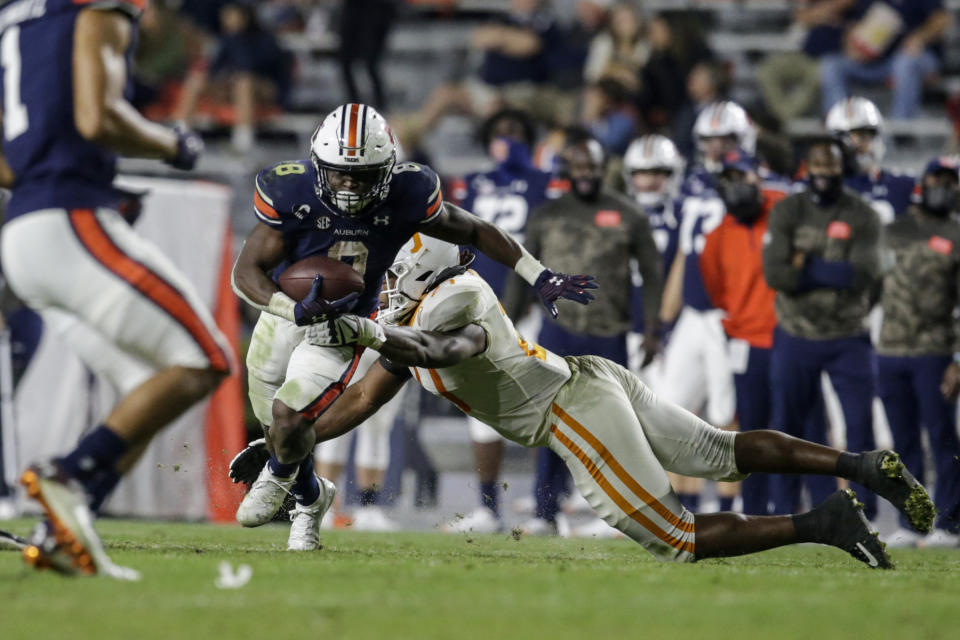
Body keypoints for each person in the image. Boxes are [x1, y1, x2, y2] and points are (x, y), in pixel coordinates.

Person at [300, 233, 935, 568]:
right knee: (720, 451)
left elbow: (443, 351)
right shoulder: (417, 314)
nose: (377, 285)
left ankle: (825, 524)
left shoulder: (452, 301)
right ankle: (861, 466)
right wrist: (289, 440)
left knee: (676, 539)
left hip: (571, 412)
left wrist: (370, 330)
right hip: (589, 380)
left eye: (387, 276)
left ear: (417, 273)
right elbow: (360, 399)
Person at [231, 103, 596, 551]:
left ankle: (292, 482)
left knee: (288, 422)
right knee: (278, 421)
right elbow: (246, 271)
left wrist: (538, 275)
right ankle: (311, 496)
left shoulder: (448, 291)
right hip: (290, 310)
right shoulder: (291, 190)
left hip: (346, 324)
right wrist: (292, 309)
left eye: (363, 174)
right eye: (340, 172)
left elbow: (381, 382)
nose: (349, 184)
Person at [0, 0, 221, 578]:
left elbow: (5, 160)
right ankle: (68, 475)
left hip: (22, 231)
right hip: (69, 218)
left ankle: (61, 531)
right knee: (206, 359)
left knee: (145, 387)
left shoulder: (14, 24)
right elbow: (99, 118)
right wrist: (173, 144)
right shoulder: (93, 10)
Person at [502, 130, 663, 534]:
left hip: (610, 330)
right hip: (557, 330)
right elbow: (521, 269)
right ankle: (545, 511)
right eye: (579, 166)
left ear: (605, 167)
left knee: (612, 424)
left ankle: (614, 512)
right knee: (552, 422)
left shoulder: (629, 213)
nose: (587, 173)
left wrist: (653, 327)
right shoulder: (546, 213)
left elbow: (653, 273)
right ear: (567, 170)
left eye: (593, 165)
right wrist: (506, 320)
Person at [442, 108, 563, 534]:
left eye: (513, 131)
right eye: (498, 131)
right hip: (479, 310)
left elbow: (554, 242)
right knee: (480, 409)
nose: (504, 138)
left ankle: (549, 503)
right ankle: (488, 508)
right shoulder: (472, 183)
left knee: (547, 405)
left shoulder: (544, 182)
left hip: (528, 309)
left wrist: (535, 293)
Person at [762, 138, 883, 521]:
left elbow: (864, 273)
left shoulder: (864, 214)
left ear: (842, 169)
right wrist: (831, 273)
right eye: (817, 166)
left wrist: (806, 267)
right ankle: (785, 511)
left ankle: (866, 513)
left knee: (860, 429)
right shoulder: (787, 210)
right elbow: (775, 274)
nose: (824, 174)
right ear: (805, 168)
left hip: (849, 336)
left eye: (831, 166)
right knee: (786, 429)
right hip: (796, 335)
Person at [876, 156, 960, 548]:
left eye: (950, 180)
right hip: (890, 349)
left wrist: (958, 360)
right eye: (936, 179)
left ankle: (951, 522)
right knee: (903, 439)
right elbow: (873, 286)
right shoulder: (892, 232)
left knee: (942, 436)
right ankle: (913, 522)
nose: (942, 186)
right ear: (921, 183)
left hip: (935, 350)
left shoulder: (956, 234)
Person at [700, 150, 789, 515]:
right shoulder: (717, 238)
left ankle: (790, 508)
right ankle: (754, 513)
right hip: (746, 342)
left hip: (790, 338)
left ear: (759, 177)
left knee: (793, 426)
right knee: (751, 431)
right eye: (729, 179)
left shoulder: (784, 211)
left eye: (744, 177)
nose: (737, 187)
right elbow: (717, 291)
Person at [819, 0, 949, 119]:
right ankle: (841, 123)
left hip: (915, 57)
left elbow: (942, 19)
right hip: (877, 62)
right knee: (832, 64)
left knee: (905, 63)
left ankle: (900, 129)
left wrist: (920, 37)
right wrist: (853, 44)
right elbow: (852, 27)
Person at [826, 97, 915, 224]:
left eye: (863, 136)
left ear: (877, 137)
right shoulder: (816, 185)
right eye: (846, 139)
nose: (855, 145)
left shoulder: (903, 185)